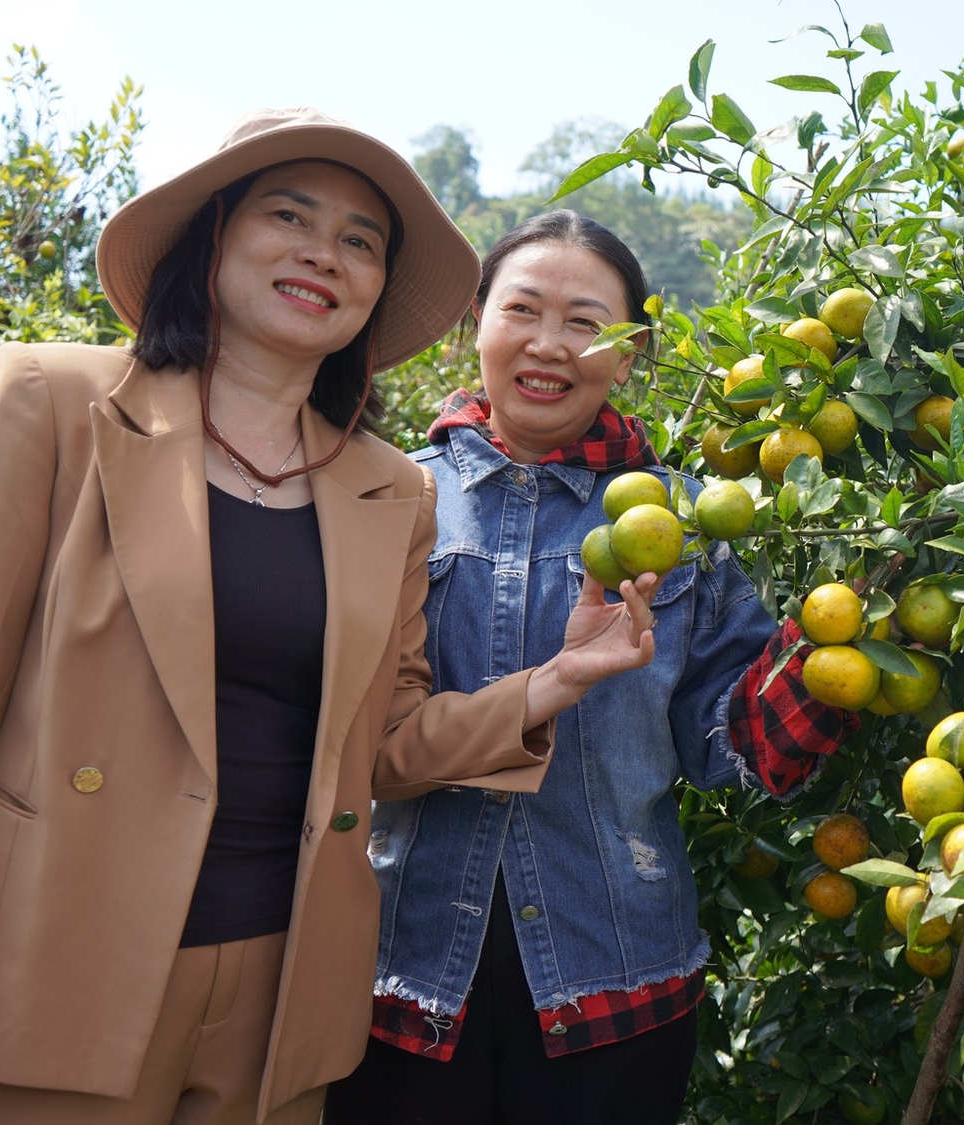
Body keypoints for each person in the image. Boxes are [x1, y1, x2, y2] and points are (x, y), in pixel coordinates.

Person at [0, 110, 662, 1125]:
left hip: (282, 996)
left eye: (358, 241)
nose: (320, 254)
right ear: (212, 237)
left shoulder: (388, 490)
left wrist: (555, 680)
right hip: (50, 966)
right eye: (287, 215)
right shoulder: (51, 401)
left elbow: (378, 746)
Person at [322, 211, 856, 1125]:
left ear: (632, 350)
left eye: (586, 321)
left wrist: (840, 634)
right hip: (397, 977)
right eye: (523, 309)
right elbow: (348, 735)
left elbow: (732, 751)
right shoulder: (386, 495)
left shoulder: (690, 523)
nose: (548, 344)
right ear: (476, 321)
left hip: (617, 982)